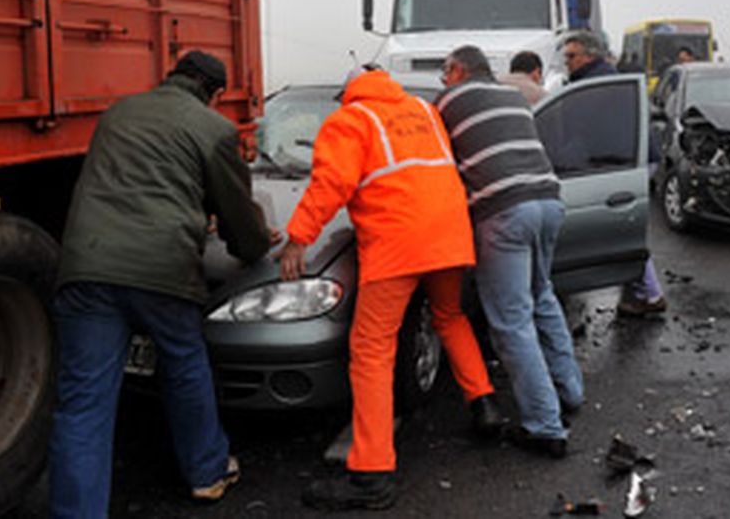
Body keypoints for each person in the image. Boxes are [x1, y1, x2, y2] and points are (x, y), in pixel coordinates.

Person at [50, 50, 277, 518]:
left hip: (87, 266)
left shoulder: (119, 112)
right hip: (161, 270)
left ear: (171, 77)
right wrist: (255, 245)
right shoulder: (214, 128)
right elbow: (237, 216)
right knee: (185, 365)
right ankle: (207, 473)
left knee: (84, 404)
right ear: (214, 95)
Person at [278, 65, 501, 511]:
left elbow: (331, 184)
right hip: (450, 235)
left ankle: (371, 473)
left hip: (398, 243)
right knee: (449, 317)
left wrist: (298, 238)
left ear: (349, 92)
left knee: (371, 350)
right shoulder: (423, 110)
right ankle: (485, 405)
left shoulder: (351, 119)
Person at [437, 45, 583, 459]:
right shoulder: (512, 96)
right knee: (542, 296)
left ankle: (545, 427)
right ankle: (570, 391)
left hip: (504, 212)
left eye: (445, 74)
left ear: (458, 69)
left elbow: (432, 156)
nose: (442, 82)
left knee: (511, 321)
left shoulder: (448, 102)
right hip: (549, 202)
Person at [561, 32, 668, 316]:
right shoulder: (601, 78)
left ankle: (651, 294)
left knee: (624, 234)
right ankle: (637, 293)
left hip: (627, 162)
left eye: (571, 56)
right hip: (629, 159)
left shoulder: (593, 85)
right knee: (625, 231)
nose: (567, 62)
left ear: (589, 55)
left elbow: (578, 135)